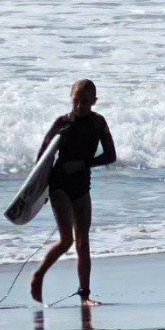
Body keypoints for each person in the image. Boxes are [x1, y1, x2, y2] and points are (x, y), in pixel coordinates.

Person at [29, 79, 116, 306]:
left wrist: (84, 163)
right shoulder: (62, 123)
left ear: (94, 101)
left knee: (83, 243)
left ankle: (85, 296)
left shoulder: (98, 123)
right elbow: (42, 159)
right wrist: (38, 192)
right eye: (76, 100)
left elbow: (111, 155)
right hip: (59, 184)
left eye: (85, 101)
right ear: (71, 98)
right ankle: (39, 275)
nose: (79, 106)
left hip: (82, 185)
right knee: (67, 239)